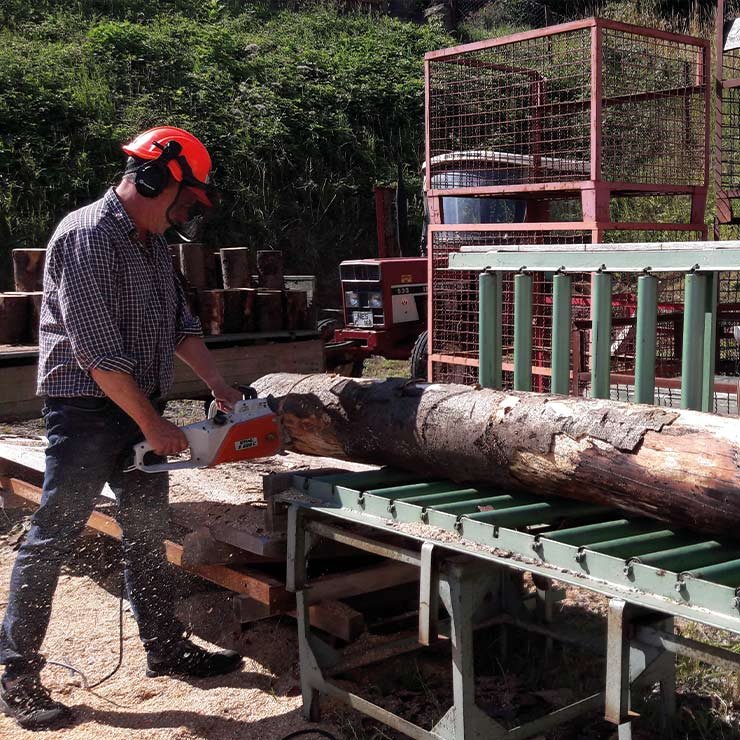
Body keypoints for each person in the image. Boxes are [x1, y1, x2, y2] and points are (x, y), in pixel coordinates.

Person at [0, 126, 244, 730]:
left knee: (147, 533)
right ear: (156, 179)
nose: (185, 214)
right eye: (186, 200)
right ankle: (17, 675)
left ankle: (164, 648)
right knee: (53, 535)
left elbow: (181, 324)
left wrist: (218, 384)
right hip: (85, 410)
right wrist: (154, 425)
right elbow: (99, 355)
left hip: (139, 405)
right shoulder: (85, 235)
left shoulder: (151, 243)